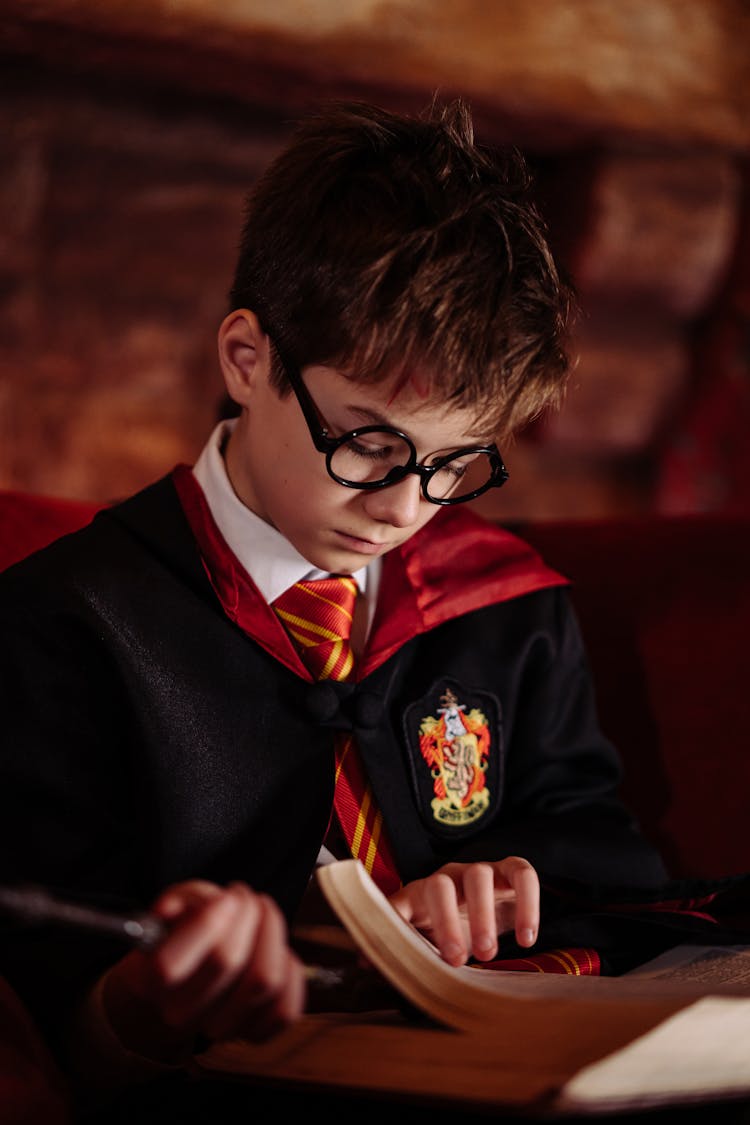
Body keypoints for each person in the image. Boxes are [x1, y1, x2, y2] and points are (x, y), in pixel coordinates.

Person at [0, 97, 671, 1110]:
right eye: (369, 441)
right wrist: (150, 999)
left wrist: (511, 876)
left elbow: (600, 843)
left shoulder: (503, 605)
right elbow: (54, 998)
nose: (405, 507)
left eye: (455, 463)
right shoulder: (63, 626)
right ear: (248, 358)